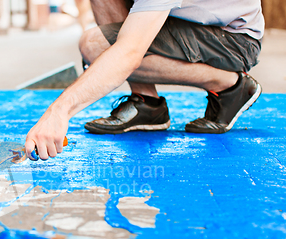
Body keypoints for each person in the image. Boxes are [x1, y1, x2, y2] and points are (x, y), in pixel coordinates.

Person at [24, 0, 264, 160]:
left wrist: (60, 111)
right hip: (194, 21)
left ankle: (230, 85)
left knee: (96, 45)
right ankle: (146, 103)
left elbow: (128, 52)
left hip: (234, 39)